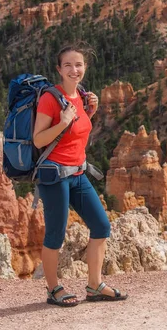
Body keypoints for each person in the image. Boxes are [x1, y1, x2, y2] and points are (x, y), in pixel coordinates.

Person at [33, 45, 128, 307]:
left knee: (101, 226)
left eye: (79, 65)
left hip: (78, 173)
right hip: (55, 176)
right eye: (68, 65)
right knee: (55, 235)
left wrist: (89, 114)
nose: (74, 70)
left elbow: (75, 135)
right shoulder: (50, 99)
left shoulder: (82, 97)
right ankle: (53, 289)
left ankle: (95, 285)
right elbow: (39, 139)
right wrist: (62, 122)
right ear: (58, 69)